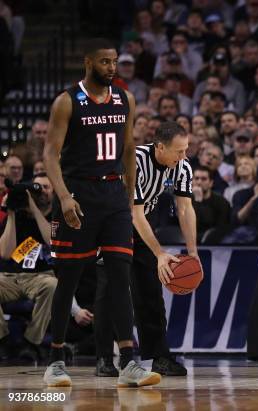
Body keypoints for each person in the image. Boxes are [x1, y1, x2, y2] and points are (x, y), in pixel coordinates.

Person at [42, 38, 159, 387]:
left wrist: (129, 197)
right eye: (105, 62)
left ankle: (128, 361)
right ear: (88, 62)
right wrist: (63, 197)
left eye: (115, 62)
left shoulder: (126, 99)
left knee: (120, 277)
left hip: (113, 195)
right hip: (78, 193)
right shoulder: (67, 101)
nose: (112, 67)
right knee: (70, 278)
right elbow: (50, 154)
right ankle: (56, 359)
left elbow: (127, 150)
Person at [132, 121, 198, 376]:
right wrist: (160, 253)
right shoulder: (135, 160)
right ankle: (105, 356)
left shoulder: (181, 166)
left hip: (141, 226)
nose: (184, 156)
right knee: (109, 290)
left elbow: (185, 208)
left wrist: (192, 252)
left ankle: (159, 356)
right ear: (159, 147)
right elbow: (134, 213)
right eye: (178, 151)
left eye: (186, 150)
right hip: (110, 225)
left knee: (151, 294)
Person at [0, 174, 57, 361]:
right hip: (10, 277)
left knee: (52, 285)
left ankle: (32, 342)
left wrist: (34, 208)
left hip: (40, 277)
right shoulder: (17, 215)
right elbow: (6, 253)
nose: (40, 192)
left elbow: (51, 241)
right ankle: (3, 339)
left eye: (46, 188)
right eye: (36, 187)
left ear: (53, 191)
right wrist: (11, 213)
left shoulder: (57, 214)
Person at [192, 165, 231, 242]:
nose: (199, 182)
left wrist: (198, 201)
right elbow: (188, 227)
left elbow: (220, 229)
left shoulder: (222, 202)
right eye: (196, 178)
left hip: (213, 243)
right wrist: (197, 201)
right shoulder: (185, 200)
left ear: (211, 183)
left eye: (203, 179)